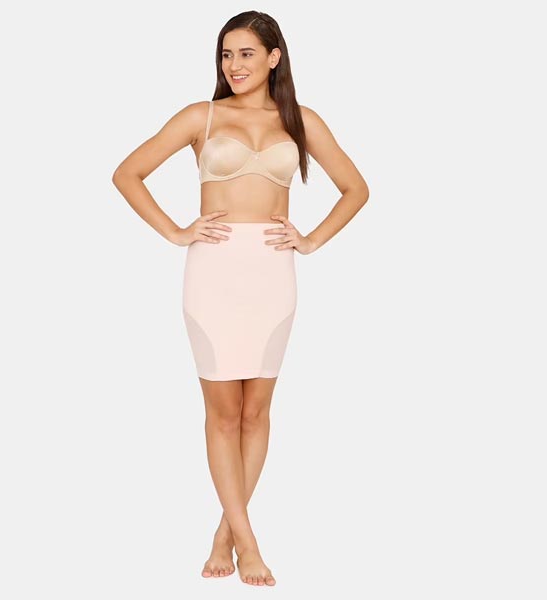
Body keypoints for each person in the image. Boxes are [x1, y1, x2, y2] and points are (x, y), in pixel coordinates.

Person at [112, 10, 369, 587]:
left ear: (274, 57)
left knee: (257, 412)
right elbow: (127, 173)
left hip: (273, 273)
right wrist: (176, 231)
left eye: (247, 53)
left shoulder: (300, 120)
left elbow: (356, 188)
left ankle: (225, 535)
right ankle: (248, 545)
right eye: (227, 54)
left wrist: (311, 240)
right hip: (214, 271)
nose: (235, 65)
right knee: (223, 413)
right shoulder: (200, 116)